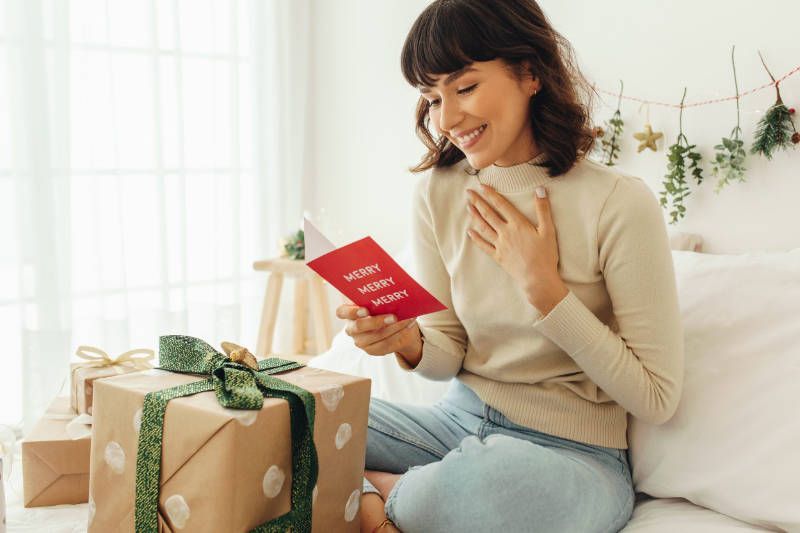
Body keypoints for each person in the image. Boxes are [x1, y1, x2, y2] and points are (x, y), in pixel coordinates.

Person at [338, 1, 684, 531]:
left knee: (484, 485)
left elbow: (656, 397)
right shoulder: (438, 193)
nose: (447, 119)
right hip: (453, 424)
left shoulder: (619, 203)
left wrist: (547, 292)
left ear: (530, 73)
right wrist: (405, 341)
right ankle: (394, 497)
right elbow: (447, 352)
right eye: (432, 98)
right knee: (295, 413)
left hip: (574, 456)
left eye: (466, 87)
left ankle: (371, 494)